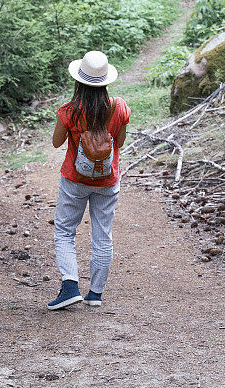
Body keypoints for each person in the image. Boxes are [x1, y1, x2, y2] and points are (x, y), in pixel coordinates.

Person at [48, 51, 130, 310]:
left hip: (75, 179)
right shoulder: (119, 107)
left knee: (64, 231)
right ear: (106, 81)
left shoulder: (70, 111)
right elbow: (120, 142)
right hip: (107, 180)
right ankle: (95, 294)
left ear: (79, 81)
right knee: (102, 234)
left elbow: (56, 142)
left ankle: (70, 286)